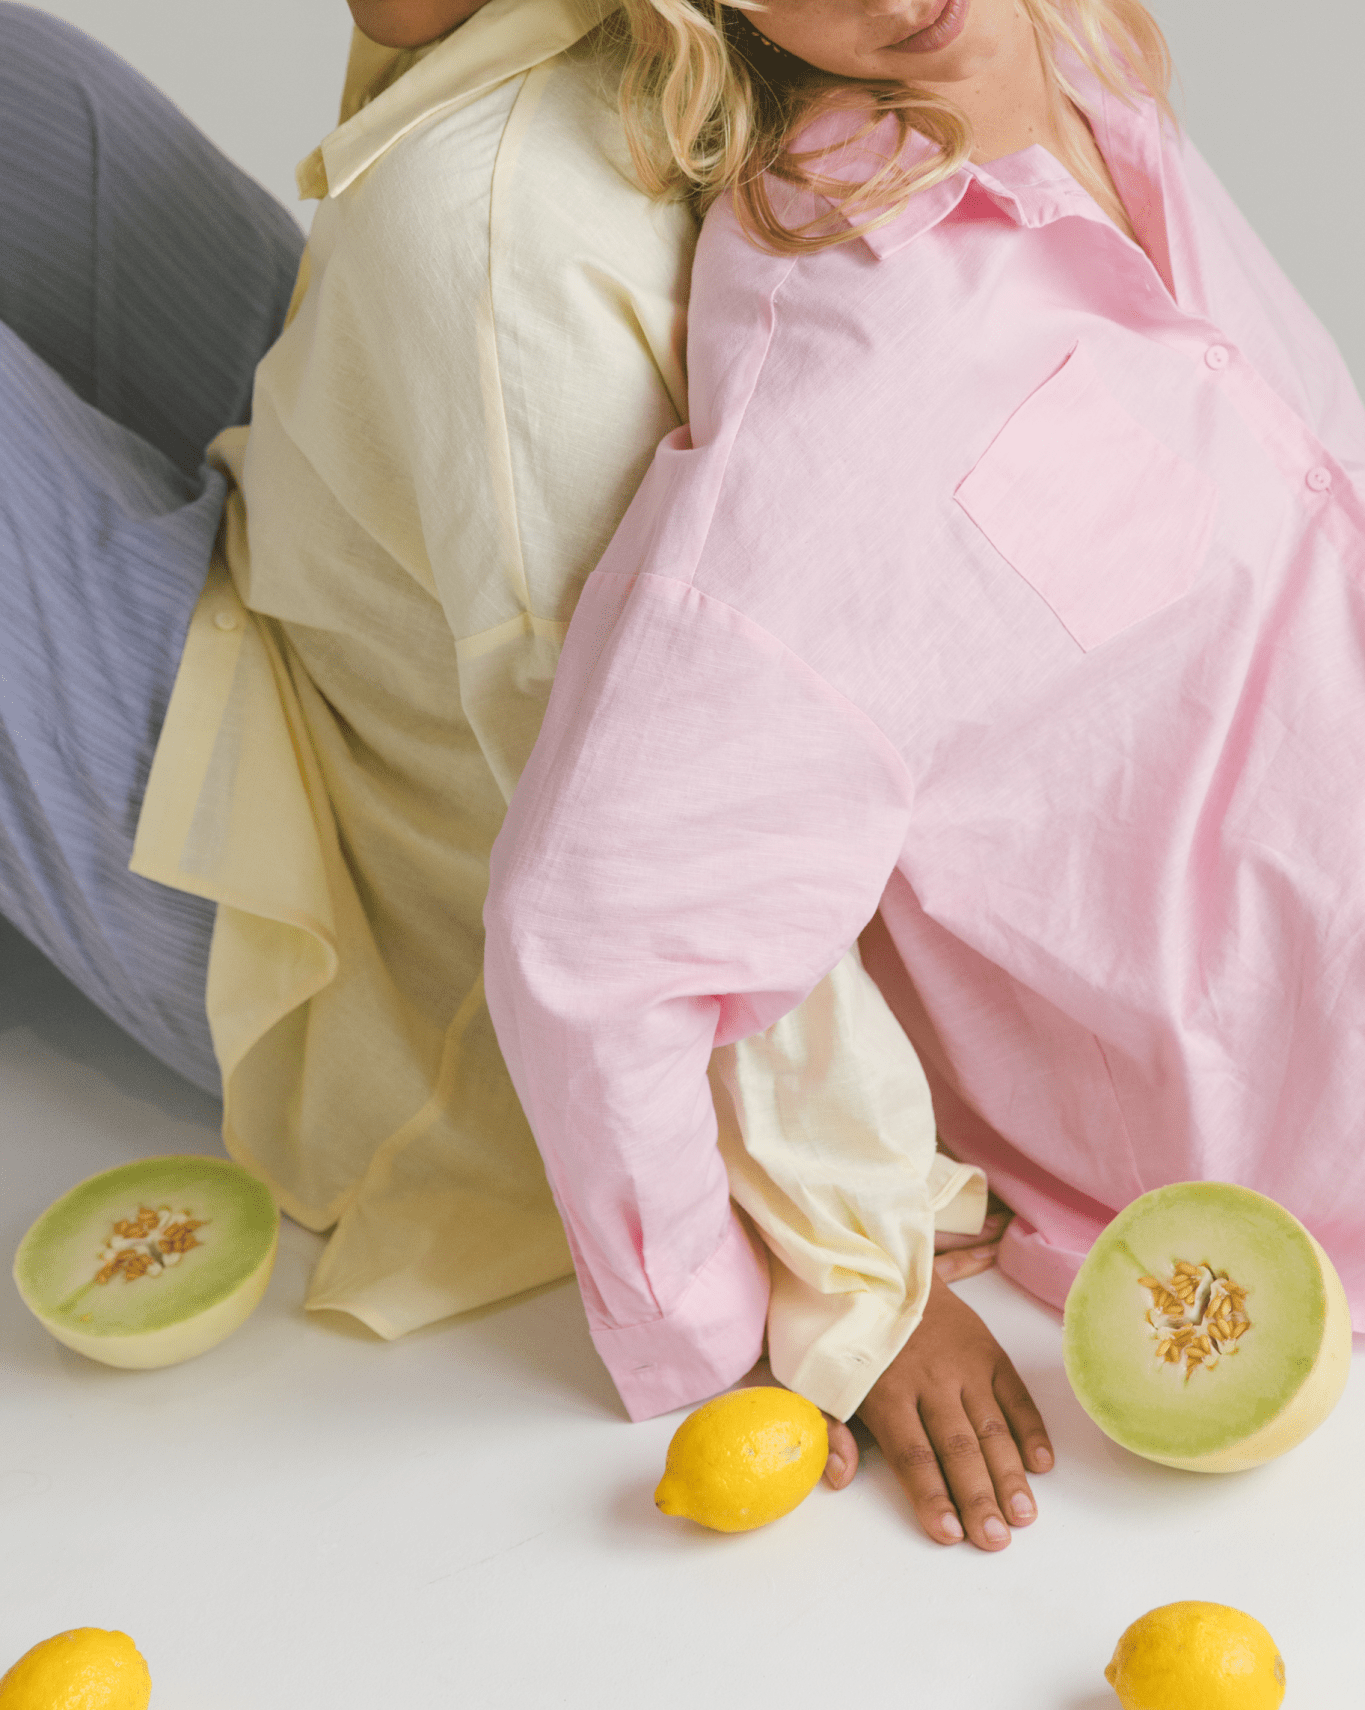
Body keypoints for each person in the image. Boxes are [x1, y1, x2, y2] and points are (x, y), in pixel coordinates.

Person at [0, 2, 1028, 1530]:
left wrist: (859, 1253)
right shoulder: (563, 59)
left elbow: (656, 840)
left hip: (369, 937)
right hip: (343, 589)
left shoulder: (499, 238)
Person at [483, 0, 1365, 1544]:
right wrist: (802, 1307)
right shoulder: (857, 351)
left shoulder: (1082, 66)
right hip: (1291, 1104)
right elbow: (590, 933)